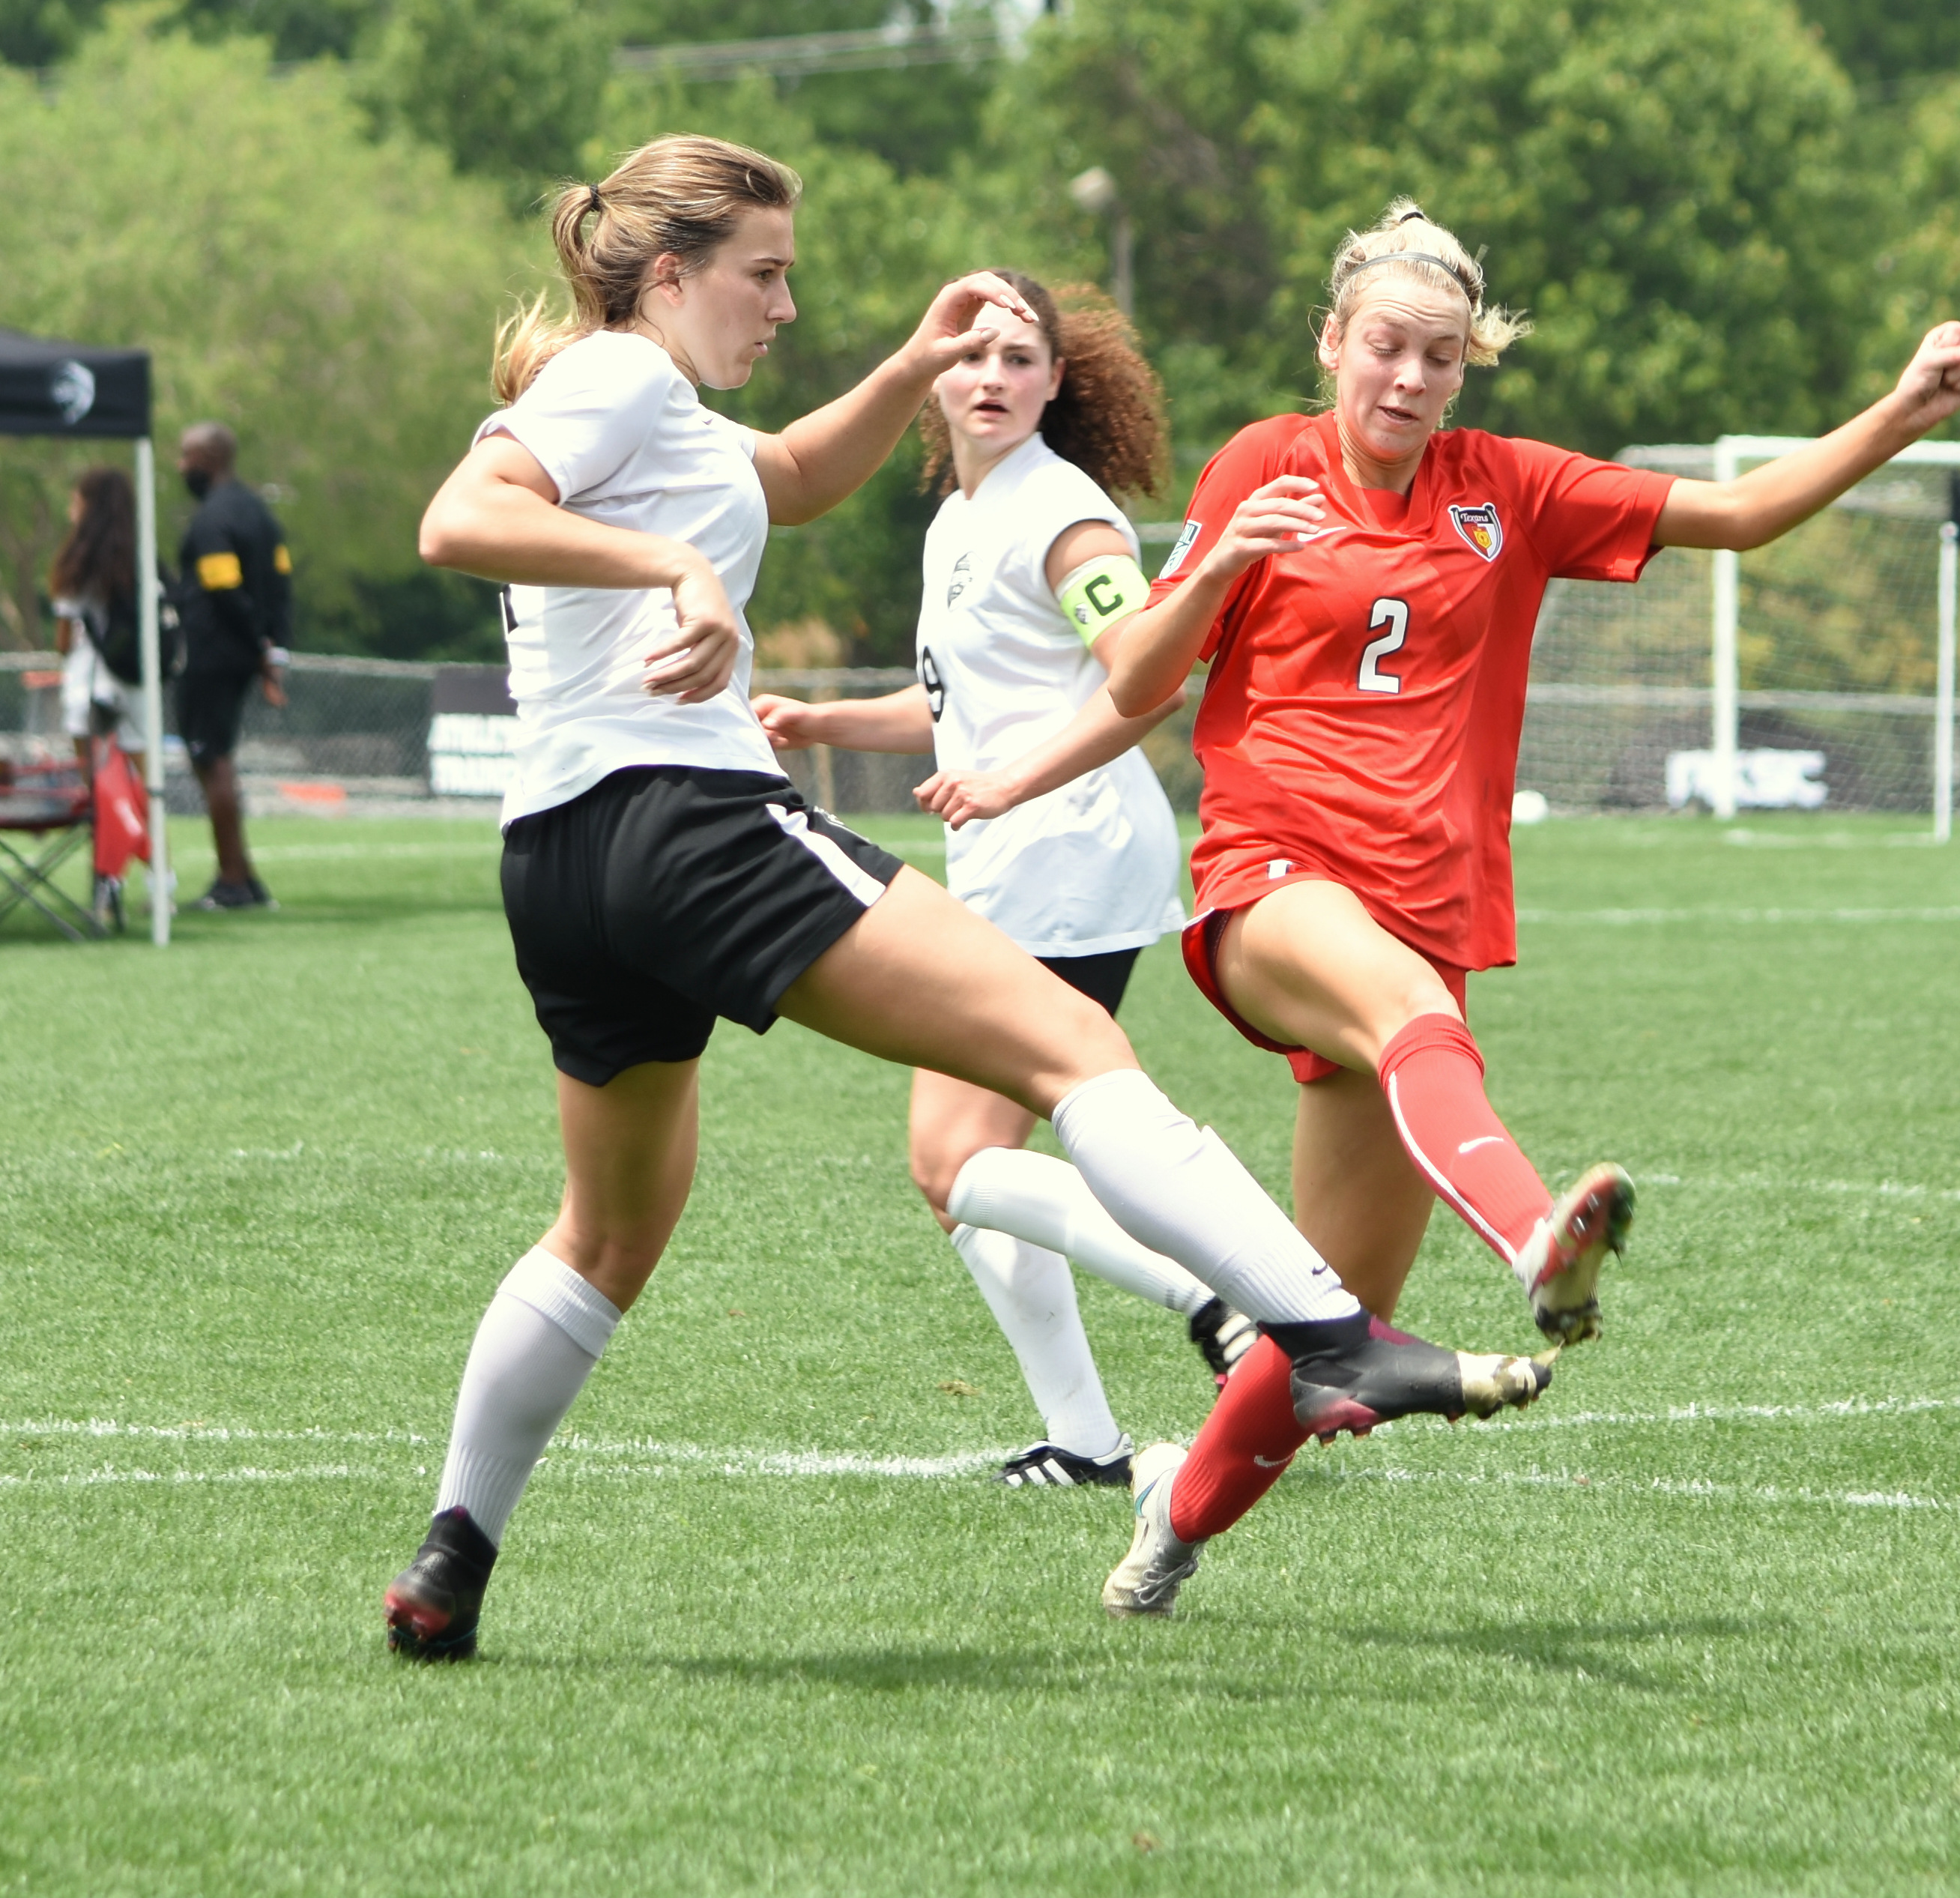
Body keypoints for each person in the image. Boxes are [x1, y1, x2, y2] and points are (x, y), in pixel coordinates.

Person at [381, 139, 1549, 1663]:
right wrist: (674, 570)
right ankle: (1320, 1337)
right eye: (766, 273)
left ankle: (449, 1560)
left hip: (559, 865)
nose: (788, 305)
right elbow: (456, 519)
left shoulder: (665, 409)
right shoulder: (611, 383)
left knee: (611, 1231)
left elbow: (791, 475)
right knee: (1075, 1062)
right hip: (684, 824)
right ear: (667, 275)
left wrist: (911, 362)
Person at [1087, 199, 1960, 1615]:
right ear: (1331, 341)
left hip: (1423, 905)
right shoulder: (1260, 462)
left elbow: (1739, 515)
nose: (1407, 377)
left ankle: (1169, 1523)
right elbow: (1137, 679)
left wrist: (1896, 413)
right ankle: (1531, 1241)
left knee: (1325, 1330)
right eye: (1383, 345)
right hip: (1273, 881)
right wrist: (1222, 556)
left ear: (1466, 365)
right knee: (1411, 1015)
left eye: (1439, 356)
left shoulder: (1503, 485)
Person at [753, 270, 1255, 1492]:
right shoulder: (957, 518)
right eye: (969, 354)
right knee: (967, 1184)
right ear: (933, 374)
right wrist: (823, 717)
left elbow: (1141, 674)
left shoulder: (1063, 513)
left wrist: (1018, 780)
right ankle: (1085, 1436)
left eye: (1019, 357)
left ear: (1054, 381)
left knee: (955, 1155)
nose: (990, 376)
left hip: (1072, 853)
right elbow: (961, 717)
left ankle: (1232, 1294)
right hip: (1012, 850)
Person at [171, 421, 291, 911]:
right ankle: (243, 876)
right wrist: (272, 649)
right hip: (241, 654)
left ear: (208, 458)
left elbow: (224, 589)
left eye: (186, 457)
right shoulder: (261, 515)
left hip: (211, 655)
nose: (181, 467)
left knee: (211, 758)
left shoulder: (212, 519)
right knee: (216, 758)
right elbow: (281, 587)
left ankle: (233, 881)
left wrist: (259, 649)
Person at [46, 466, 153, 921]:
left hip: (89, 686)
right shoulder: (143, 557)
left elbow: (65, 640)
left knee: (103, 795)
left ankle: (107, 890)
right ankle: (158, 881)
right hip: (137, 685)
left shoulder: (78, 562)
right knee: (147, 790)